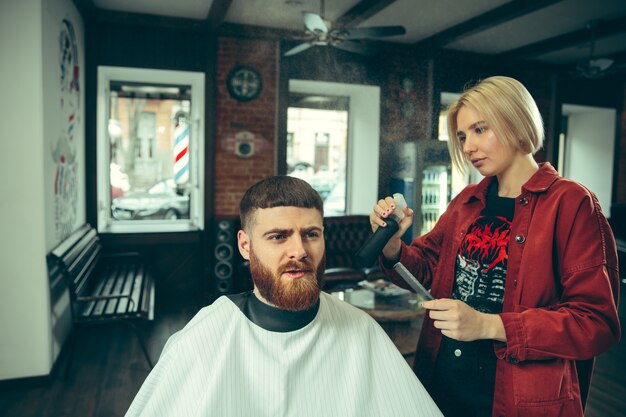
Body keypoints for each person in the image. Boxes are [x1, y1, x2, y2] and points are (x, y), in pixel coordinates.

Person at [370, 76, 620, 417]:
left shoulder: (572, 204)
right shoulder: (467, 202)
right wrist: (392, 245)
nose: (468, 146)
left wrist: (489, 325)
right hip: (441, 382)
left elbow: (595, 323)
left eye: (480, 129)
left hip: (517, 398)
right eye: (462, 136)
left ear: (516, 122)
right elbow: (428, 268)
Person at [125, 175, 443, 417]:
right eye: (278, 237)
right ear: (245, 245)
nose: (299, 251)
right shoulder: (205, 337)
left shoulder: (360, 330)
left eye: (311, 234)